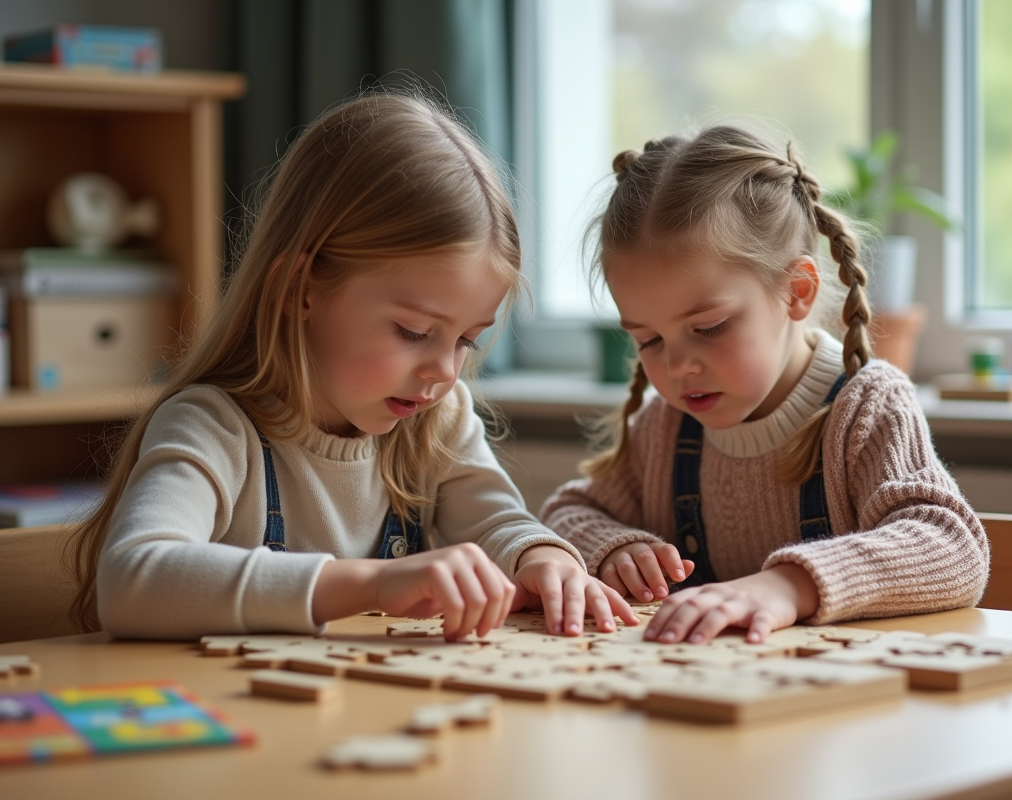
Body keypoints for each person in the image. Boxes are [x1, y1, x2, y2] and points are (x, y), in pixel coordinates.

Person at [67, 92, 636, 642]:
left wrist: (541, 556)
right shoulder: (212, 426)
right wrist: (374, 582)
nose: (444, 371)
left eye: (467, 339)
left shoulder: (438, 419)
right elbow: (132, 579)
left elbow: (496, 525)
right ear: (300, 288)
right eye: (414, 332)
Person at [541, 125, 988, 645]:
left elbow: (952, 547)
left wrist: (786, 587)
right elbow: (566, 513)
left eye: (707, 328)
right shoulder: (667, 426)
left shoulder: (866, 405)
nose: (679, 366)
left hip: (842, 707)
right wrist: (616, 549)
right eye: (649, 340)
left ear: (796, 290)